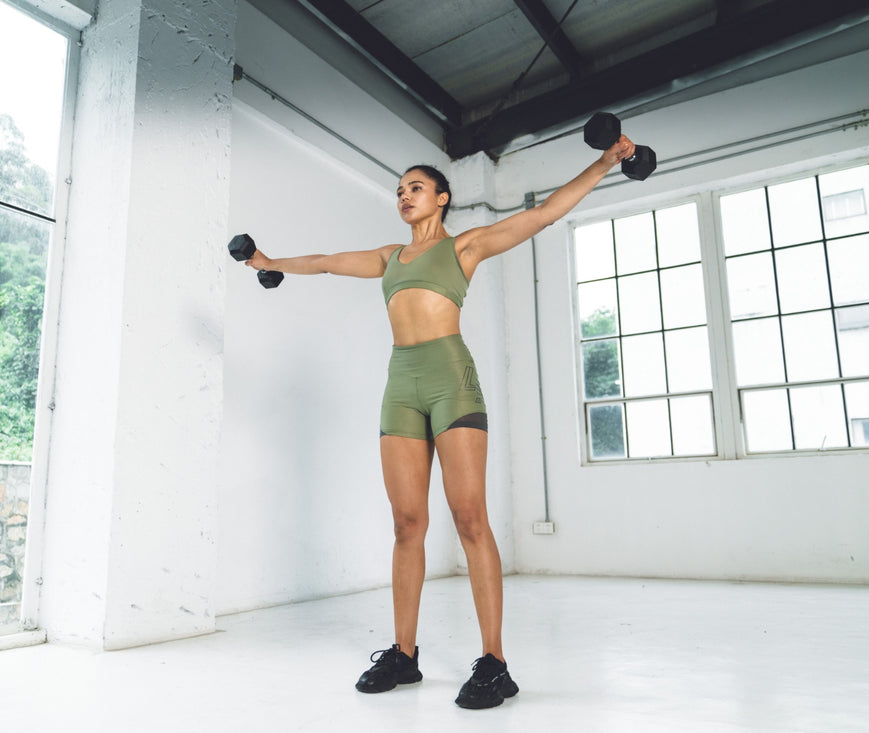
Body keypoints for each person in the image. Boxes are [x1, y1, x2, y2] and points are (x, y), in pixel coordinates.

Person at [244, 133, 636, 709]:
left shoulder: (466, 248)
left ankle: (495, 661)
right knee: (407, 522)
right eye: (400, 190)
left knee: (469, 516)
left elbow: (547, 212)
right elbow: (327, 262)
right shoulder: (387, 258)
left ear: (443, 198)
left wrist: (604, 163)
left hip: (451, 379)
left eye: (417, 188)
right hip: (401, 384)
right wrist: (269, 262)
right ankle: (404, 655)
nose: (405, 196)